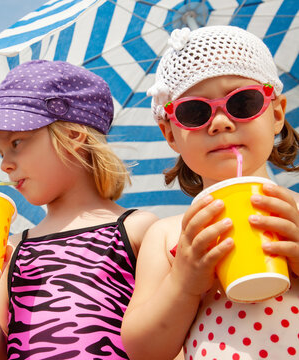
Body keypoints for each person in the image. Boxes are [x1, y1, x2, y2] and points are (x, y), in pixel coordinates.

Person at [0, 59, 158, 360]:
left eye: (16, 142)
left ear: (73, 136)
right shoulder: (14, 248)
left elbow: (164, 340)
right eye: (1, 152)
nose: (5, 164)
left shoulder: (137, 230)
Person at [122, 26, 299, 360]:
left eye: (243, 102)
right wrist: (184, 283)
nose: (220, 122)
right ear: (170, 134)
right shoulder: (169, 236)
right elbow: (143, 351)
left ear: (276, 113)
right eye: (194, 112)